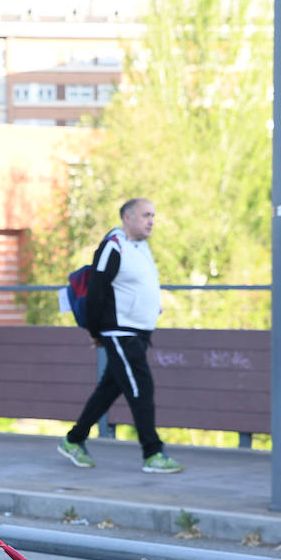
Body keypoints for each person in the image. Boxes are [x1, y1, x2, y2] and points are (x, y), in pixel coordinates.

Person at [58, 198, 184, 474]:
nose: (151, 220)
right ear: (127, 217)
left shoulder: (140, 248)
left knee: (109, 390)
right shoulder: (113, 246)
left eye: (153, 215)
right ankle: (152, 453)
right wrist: (94, 331)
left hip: (137, 333)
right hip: (119, 332)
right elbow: (96, 293)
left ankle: (74, 439)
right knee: (141, 388)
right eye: (145, 215)